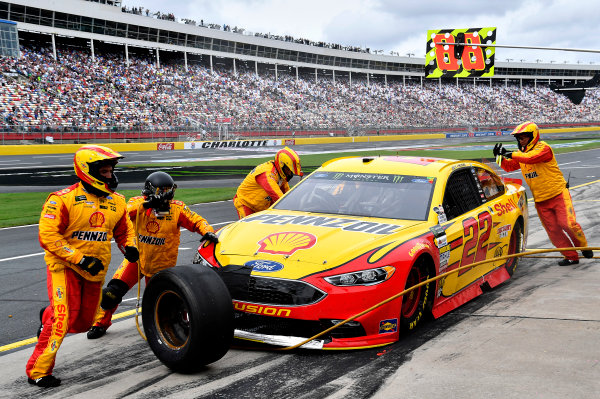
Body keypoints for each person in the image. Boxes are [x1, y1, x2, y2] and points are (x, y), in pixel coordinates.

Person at [26, 145, 138, 388]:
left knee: (83, 323)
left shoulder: (117, 202)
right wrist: (80, 258)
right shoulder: (62, 199)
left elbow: (124, 230)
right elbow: (48, 236)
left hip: (96, 270)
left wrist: (129, 246)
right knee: (61, 320)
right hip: (65, 267)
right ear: (88, 171)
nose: (110, 176)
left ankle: (48, 316)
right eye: (105, 171)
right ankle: (38, 370)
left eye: (111, 171)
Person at [87, 171, 218, 339]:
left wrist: (208, 232)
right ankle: (100, 323)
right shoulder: (137, 203)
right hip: (136, 260)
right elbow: (122, 214)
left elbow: (197, 220)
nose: (165, 194)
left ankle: (163, 330)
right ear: (150, 190)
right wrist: (147, 205)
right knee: (112, 293)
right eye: (161, 190)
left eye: (168, 189)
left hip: (161, 267)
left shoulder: (177, 208)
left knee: (159, 304)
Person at [493, 121, 593, 266]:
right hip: (540, 200)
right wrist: (499, 157)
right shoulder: (521, 154)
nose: (521, 140)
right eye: (519, 138)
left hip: (558, 194)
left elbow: (531, 158)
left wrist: (511, 153)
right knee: (554, 231)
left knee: (568, 224)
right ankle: (571, 256)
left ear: (533, 136)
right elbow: (509, 167)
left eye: (523, 137)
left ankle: (583, 247)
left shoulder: (543, 148)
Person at [233, 146, 303, 218]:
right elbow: (277, 196)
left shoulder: (281, 175)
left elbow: (287, 195)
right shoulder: (267, 174)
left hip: (261, 206)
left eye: (291, 171)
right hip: (246, 203)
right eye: (288, 169)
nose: (289, 173)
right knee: (248, 227)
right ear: (282, 165)